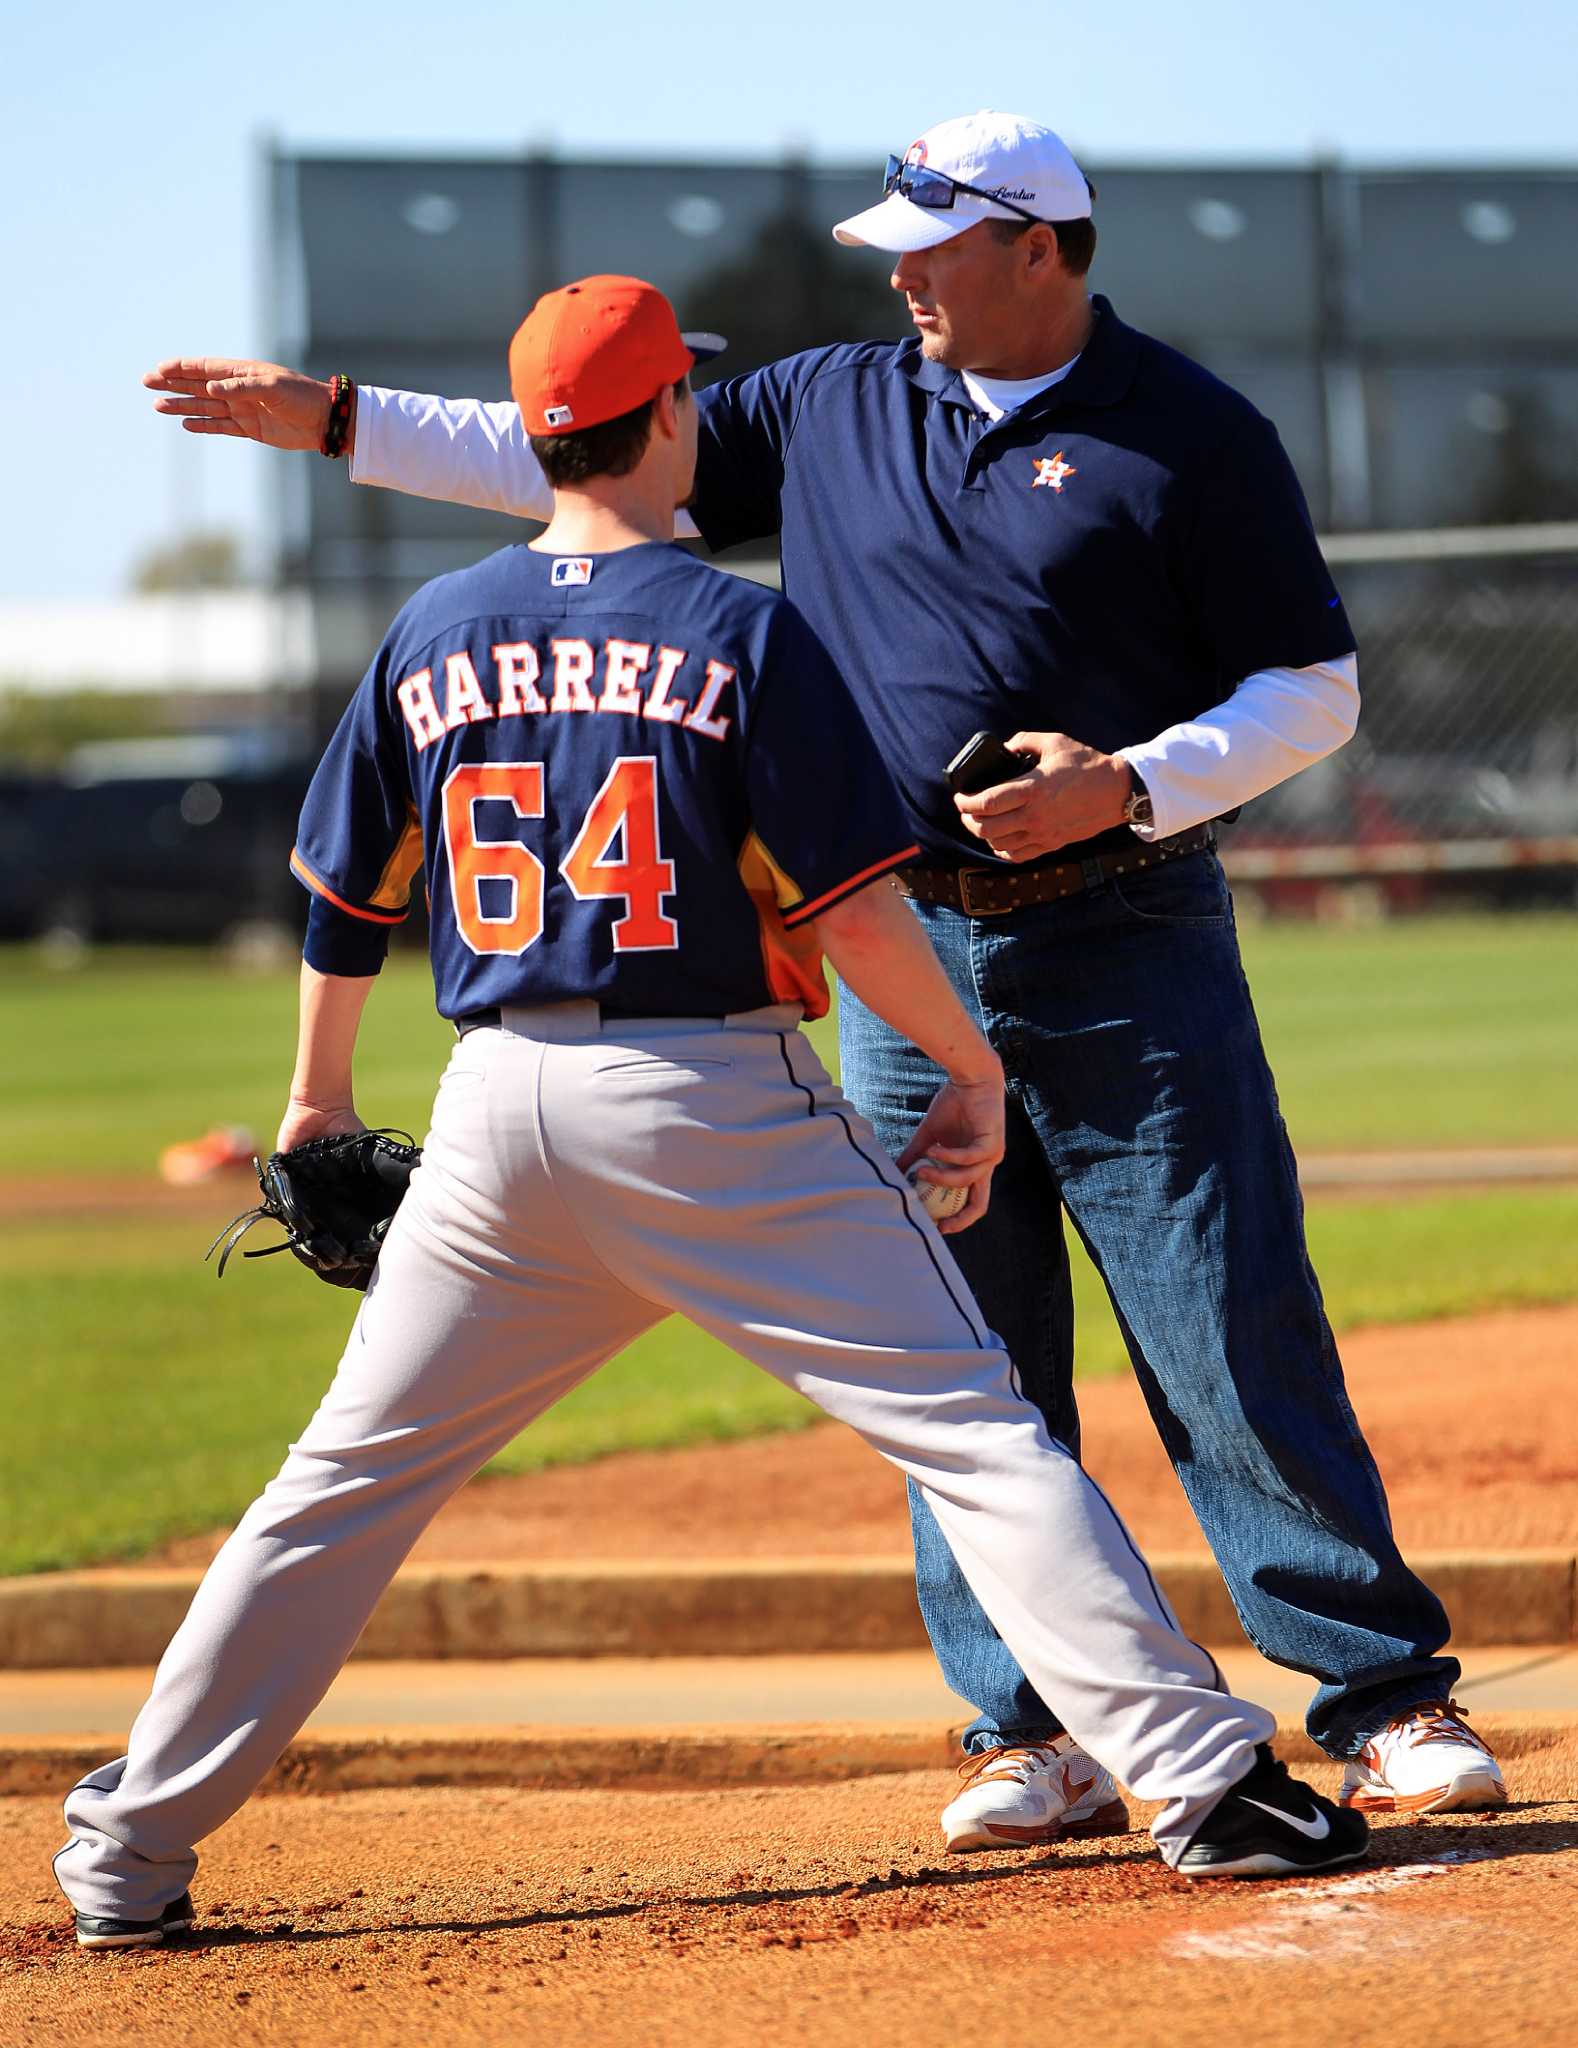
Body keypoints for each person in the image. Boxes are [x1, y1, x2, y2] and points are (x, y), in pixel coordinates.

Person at [145, 110, 1505, 1849]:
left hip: (1123, 924)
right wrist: (334, 422)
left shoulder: (1189, 432)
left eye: (931, 247)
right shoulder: (835, 402)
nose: (900, 276)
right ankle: (1025, 1726)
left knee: (1221, 1316)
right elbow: (561, 456)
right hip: (900, 938)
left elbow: (1311, 688)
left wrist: (1135, 780)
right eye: (895, 249)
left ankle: (1381, 1699)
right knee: (950, 1351)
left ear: (1041, 247)